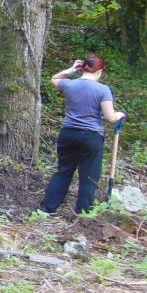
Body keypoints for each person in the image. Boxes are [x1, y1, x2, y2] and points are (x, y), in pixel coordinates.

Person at [39, 56, 125, 215]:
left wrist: (70, 71)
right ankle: (83, 214)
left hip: (68, 133)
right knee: (89, 177)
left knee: (64, 171)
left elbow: (54, 79)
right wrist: (119, 114)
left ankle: (47, 209)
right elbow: (110, 117)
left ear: (83, 68)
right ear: (99, 71)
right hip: (91, 136)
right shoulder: (102, 89)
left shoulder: (70, 84)